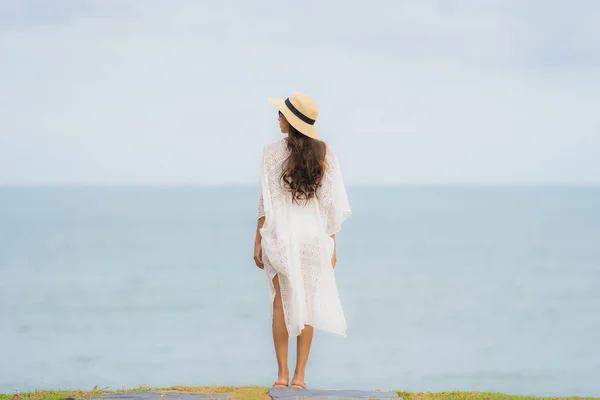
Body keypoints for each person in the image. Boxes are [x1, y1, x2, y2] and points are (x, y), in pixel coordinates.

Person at [253, 92, 352, 389]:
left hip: (280, 235)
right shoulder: (324, 153)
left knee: (279, 305)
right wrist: (331, 242)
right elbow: (329, 203)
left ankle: (281, 375)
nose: (278, 118)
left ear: (291, 120)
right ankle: (299, 377)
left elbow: (265, 202)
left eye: (281, 114)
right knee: (306, 305)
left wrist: (257, 240)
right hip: (312, 237)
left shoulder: (271, 152)